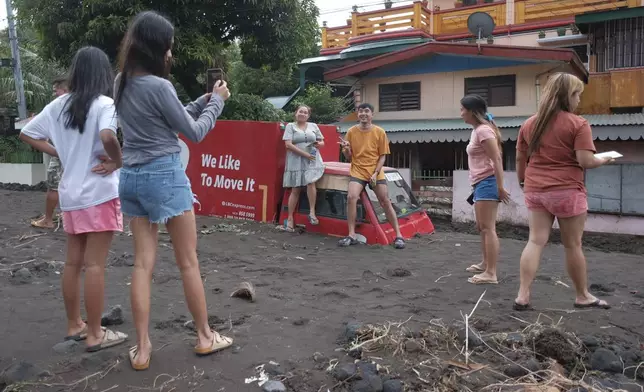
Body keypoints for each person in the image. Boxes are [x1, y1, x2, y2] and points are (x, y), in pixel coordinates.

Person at [114, 10, 232, 371]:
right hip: (164, 175)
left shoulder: (120, 82)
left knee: (142, 264)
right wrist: (218, 102)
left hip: (130, 176)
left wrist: (202, 99)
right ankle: (204, 336)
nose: (171, 53)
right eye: (169, 47)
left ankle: (143, 348)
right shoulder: (159, 86)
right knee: (188, 262)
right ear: (156, 47)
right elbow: (194, 133)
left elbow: (175, 116)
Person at [19, 46, 128, 351]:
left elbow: (27, 133)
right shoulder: (105, 103)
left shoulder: (58, 106)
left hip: (70, 193)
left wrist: (60, 152)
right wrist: (117, 161)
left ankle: (74, 325)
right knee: (95, 265)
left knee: (73, 263)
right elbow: (108, 136)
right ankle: (95, 333)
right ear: (103, 73)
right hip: (100, 192)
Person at [514, 72, 613, 311]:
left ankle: (522, 295)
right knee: (572, 245)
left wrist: (523, 182)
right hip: (567, 191)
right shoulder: (578, 124)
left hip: (535, 190)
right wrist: (606, 158)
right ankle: (582, 295)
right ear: (568, 96)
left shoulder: (529, 123)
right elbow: (586, 161)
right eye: (577, 94)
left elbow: (520, 157)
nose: (579, 99)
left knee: (535, 241)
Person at [338, 103, 405, 249]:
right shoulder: (350, 132)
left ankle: (398, 235)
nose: (363, 114)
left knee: (385, 201)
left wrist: (375, 173)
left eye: (366, 111)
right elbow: (349, 157)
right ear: (358, 114)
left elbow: (382, 156)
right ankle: (351, 235)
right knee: (351, 197)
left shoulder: (380, 132)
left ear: (372, 115)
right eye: (360, 111)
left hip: (375, 170)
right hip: (357, 170)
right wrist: (346, 150)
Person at [460, 95, 510, 285]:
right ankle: (485, 263)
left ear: (472, 111)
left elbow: (497, 159)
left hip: (488, 182)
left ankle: (491, 273)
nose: (461, 113)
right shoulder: (477, 130)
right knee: (482, 227)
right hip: (480, 183)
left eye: (462, 109)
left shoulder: (483, 131)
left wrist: (500, 186)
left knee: (488, 228)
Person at [31, 77, 69, 229]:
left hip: (62, 152)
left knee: (54, 186)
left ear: (65, 90)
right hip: (79, 154)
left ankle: (47, 220)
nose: (54, 94)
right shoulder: (82, 107)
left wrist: (56, 152)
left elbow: (31, 133)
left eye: (56, 90)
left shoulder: (58, 107)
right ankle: (65, 215)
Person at [281, 105, 325, 231]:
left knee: (311, 183)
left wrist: (318, 144)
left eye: (305, 112)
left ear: (308, 115)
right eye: (301, 111)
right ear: (296, 113)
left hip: (312, 159)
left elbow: (322, 142)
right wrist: (304, 154)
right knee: (296, 188)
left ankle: (312, 213)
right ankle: (290, 218)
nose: (303, 114)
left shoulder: (313, 126)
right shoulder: (290, 126)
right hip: (296, 160)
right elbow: (288, 144)